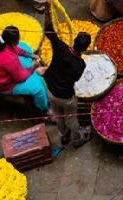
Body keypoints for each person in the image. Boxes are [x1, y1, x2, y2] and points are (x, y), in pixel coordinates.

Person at [42, 1, 92, 148]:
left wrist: (47, 11)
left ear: (74, 40)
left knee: (58, 115)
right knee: (72, 118)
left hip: (50, 89)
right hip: (65, 96)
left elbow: (49, 30)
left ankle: (64, 134)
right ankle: (77, 139)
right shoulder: (80, 65)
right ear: (85, 48)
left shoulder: (60, 47)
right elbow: (75, 79)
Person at [0, 26, 49, 113]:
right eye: (18, 39)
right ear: (12, 42)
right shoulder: (10, 60)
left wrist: (28, 54)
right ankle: (43, 109)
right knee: (39, 88)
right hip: (6, 85)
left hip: (2, 70)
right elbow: (20, 77)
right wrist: (32, 67)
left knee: (24, 46)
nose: (19, 39)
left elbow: (15, 48)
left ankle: (33, 69)